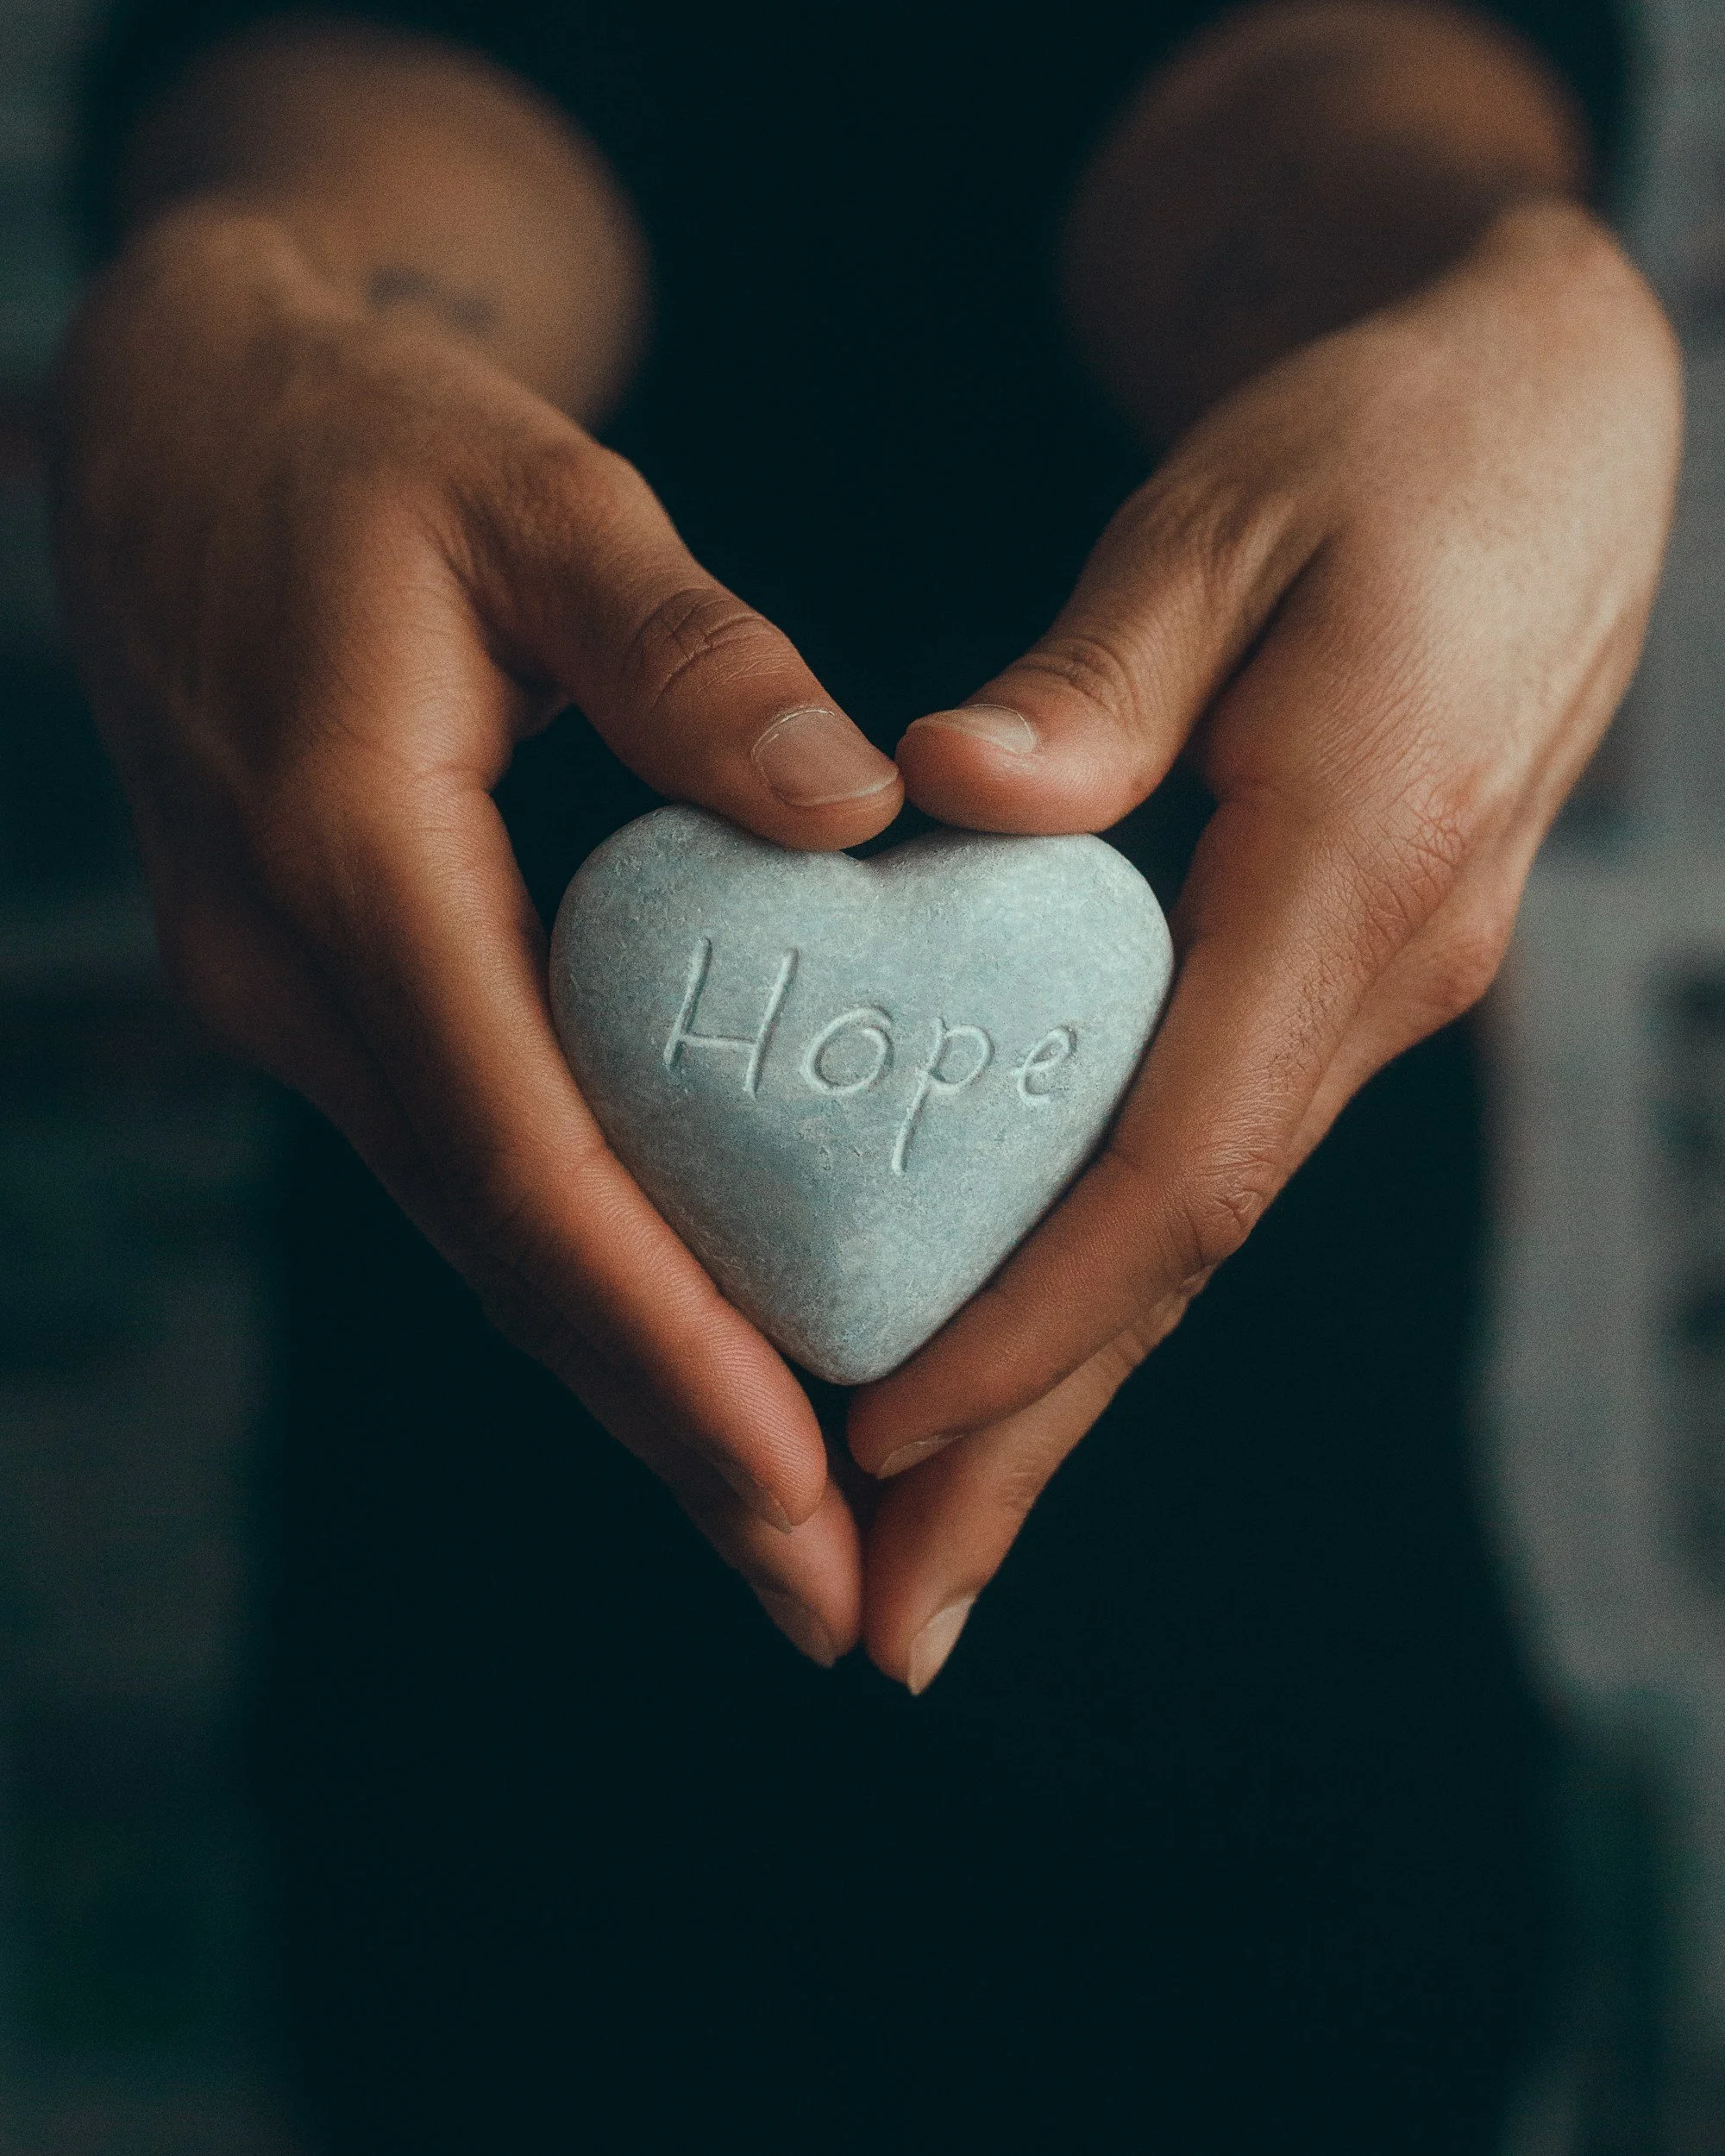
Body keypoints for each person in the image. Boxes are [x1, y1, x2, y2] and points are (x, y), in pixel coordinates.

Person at [54, 0, 1674, 2146]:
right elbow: (397, 104)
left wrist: (1499, 287)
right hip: (492, 1762)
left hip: (1287, 1721)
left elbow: (1317, 119)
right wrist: (260, 299)